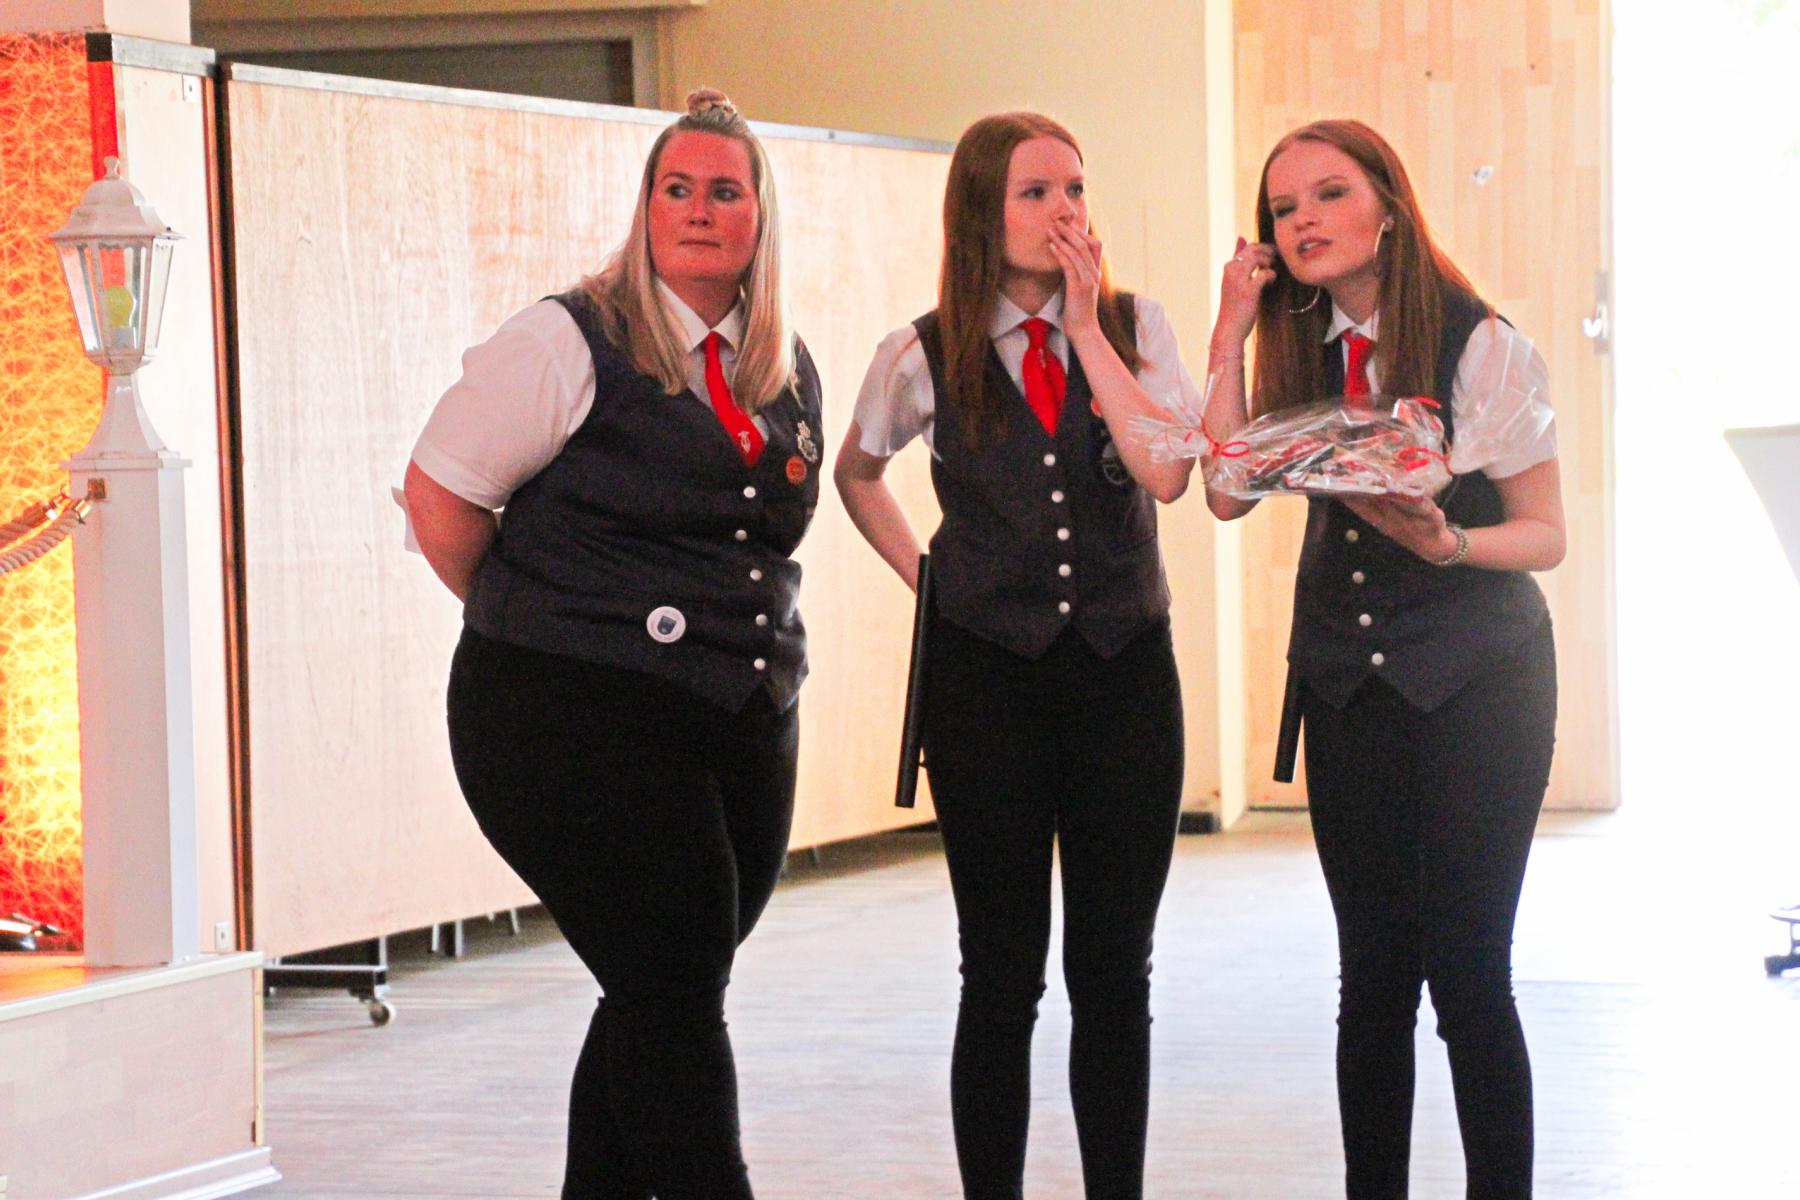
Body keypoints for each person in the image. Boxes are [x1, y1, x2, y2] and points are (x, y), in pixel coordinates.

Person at [402, 89, 820, 1200]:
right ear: (645, 209)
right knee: (672, 981)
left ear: (761, 218)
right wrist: (547, 618)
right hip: (567, 713)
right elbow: (439, 498)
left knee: (663, 985)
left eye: (723, 191)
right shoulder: (567, 339)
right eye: (674, 189)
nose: (698, 210)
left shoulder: (783, 365)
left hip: (737, 715)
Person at [835, 111, 1199, 1200]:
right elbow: (856, 472)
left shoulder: (1136, 327)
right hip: (986, 683)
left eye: (1076, 188)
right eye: (1036, 192)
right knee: (999, 973)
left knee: (1115, 971)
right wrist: (928, 576)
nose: (1064, 211)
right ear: (980, 215)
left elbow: (1170, 473)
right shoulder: (919, 351)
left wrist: (1087, 328)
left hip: (1124, 674)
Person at [1203, 118, 1565, 1199]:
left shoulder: (1480, 343)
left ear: (1390, 210)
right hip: (1348, 687)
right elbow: (1224, 491)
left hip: (1481, 683)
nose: (1303, 221)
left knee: (1468, 974)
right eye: (1283, 209)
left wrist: (1450, 544)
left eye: (1329, 194)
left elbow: (1545, 536)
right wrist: (1230, 329)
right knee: (1370, 981)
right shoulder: (1295, 347)